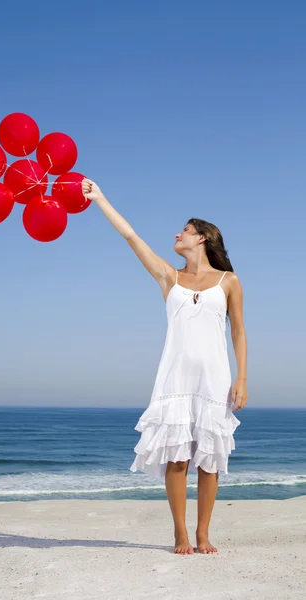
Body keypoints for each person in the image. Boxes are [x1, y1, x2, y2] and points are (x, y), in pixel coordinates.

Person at [81, 178, 248, 556]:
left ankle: (203, 533)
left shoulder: (228, 281)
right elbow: (131, 237)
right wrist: (101, 198)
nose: (178, 234)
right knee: (178, 459)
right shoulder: (168, 276)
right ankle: (180, 534)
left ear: (202, 238)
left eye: (185, 231)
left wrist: (242, 377)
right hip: (175, 379)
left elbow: (238, 331)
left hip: (215, 379)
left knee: (210, 462)